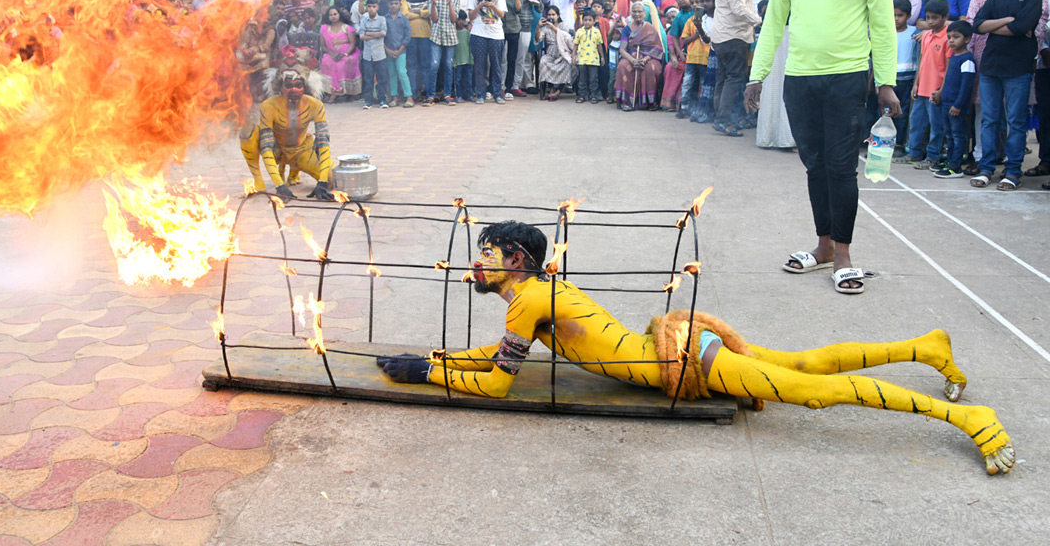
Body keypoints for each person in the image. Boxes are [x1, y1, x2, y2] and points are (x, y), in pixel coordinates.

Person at [376, 221, 1015, 477]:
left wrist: (425, 374)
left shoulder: (530, 299)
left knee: (808, 388)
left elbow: (496, 382)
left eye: (484, 256)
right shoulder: (534, 297)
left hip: (681, 359)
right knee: (803, 364)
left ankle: (968, 418)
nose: (473, 266)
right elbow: (495, 353)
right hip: (682, 348)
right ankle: (925, 346)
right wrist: (435, 359)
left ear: (514, 260)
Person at [745, 0, 898, 294]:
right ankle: (824, 246)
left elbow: (883, 26)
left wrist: (886, 82)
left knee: (841, 167)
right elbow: (774, 22)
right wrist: (757, 75)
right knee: (814, 165)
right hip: (799, 79)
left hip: (847, 79)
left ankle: (845, 256)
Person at [965, 0, 1049, 176]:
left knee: (1016, 121)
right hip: (990, 64)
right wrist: (1008, 22)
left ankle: (1013, 171)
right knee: (989, 119)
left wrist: (998, 25)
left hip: (1019, 66)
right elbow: (977, 24)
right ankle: (987, 168)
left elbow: (1025, 26)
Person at [244, 60, 334, 201]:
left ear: (305, 87)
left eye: (298, 85)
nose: (294, 90)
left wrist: (322, 182)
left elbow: (323, 143)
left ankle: (294, 172)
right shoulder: (268, 106)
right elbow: (266, 146)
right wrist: (279, 185)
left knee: (333, 180)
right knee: (247, 132)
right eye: (288, 85)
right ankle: (258, 179)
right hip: (277, 150)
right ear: (280, 86)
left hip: (302, 151)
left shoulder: (315, 105)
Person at [711, 0, 774, 137]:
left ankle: (720, 118)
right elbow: (739, 9)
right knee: (734, 78)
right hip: (734, 37)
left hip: (723, 37)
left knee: (723, 78)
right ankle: (723, 120)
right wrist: (760, 21)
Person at [908, 0, 952, 172]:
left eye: (935, 18)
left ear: (945, 17)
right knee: (916, 121)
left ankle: (933, 157)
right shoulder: (926, 35)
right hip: (922, 88)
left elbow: (948, 66)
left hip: (936, 90)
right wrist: (915, 84)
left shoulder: (948, 37)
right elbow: (921, 60)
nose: (931, 21)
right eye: (928, 17)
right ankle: (914, 152)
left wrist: (942, 89)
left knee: (936, 125)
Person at [934, 21, 976, 179]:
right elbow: (948, 80)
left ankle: (956, 167)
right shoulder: (953, 56)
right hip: (946, 103)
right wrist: (939, 93)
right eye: (949, 37)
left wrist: (958, 105)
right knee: (949, 134)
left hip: (956, 106)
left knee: (958, 135)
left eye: (956, 37)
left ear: (967, 39)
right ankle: (950, 161)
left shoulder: (967, 60)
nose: (951, 40)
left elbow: (966, 86)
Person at [613, 0, 668, 112]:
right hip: (631, 56)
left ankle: (650, 102)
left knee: (650, 68)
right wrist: (633, 60)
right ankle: (626, 101)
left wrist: (645, 59)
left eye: (640, 12)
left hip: (649, 57)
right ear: (631, 13)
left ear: (644, 13)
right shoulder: (627, 29)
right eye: (634, 11)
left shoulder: (650, 28)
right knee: (623, 66)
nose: (637, 14)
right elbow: (622, 49)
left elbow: (657, 49)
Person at [754, 0, 795, 150]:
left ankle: (768, 136)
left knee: (773, 91)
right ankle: (786, 138)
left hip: (774, 46)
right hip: (788, 44)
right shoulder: (796, 4)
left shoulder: (772, 6)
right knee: (785, 91)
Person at [467, 0, 507, 105]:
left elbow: (501, 14)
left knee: (496, 65)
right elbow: (471, 16)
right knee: (479, 65)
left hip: (496, 34)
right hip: (478, 33)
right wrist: (480, 5)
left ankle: (497, 94)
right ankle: (481, 94)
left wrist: (492, 6)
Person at [678, 0, 713, 120]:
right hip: (692, 58)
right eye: (692, 2)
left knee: (704, 85)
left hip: (705, 58)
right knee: (687, 83)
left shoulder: (709, 19)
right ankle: (684, 108)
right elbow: (684, 40)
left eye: (697, 2)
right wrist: (697, 34)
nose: (694, 5)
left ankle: (702, 109)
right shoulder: (690, 21)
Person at [398, 0, 432, 101]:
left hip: (425, 34)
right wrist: (421, 12)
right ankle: (411, 94)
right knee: (411, 66)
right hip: (410, 35)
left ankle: (428, 94)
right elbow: (404, 14)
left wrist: (418, 12)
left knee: (425, 65)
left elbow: (430, 11)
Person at [891, 0, 919, 160]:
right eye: (893, 15)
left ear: (908, 16)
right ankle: (883, 144)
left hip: (906, 78)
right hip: (889, 79)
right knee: (884, 113)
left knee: (902, 113)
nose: (896, 18)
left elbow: (918, 58)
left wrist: (916, 81)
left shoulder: (914, 34)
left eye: (900, 15)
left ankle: (899, 144)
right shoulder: (886, 33)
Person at [429, 0, 460, 106]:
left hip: (450, 36)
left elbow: (454, 20)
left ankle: (447, 94)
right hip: (436, 35)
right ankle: (431, 95)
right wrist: (434, 4)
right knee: (434, 65)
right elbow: (434, 19)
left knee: (448, 65)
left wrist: (449, 3)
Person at [319, 7, 362, 101]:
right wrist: (331, 53)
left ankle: (336, 94)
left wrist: (345, 54)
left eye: (335, 14)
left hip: (347, 54)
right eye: (331, 15)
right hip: (331, 53)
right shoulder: (324, 28)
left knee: (342, 64)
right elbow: (323, 46)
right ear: (328, 16)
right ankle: (330, 92)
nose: (333, 17)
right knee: (326, 62)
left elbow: (353, 43)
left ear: (339, 15)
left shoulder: (347, 27)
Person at [534, 6, 574, 100]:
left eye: (553, 14)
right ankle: (551, 88)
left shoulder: (563, 25)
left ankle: (558, 91)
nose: (551, 17)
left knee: (568, 64)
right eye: (549, 15)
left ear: (558, 15)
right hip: (551, 53)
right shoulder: (545, 27)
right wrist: (538, 27)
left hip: (563, 53)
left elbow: (566, 38)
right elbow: (538, 40)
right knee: (544, 62)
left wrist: (554, 28)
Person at [358, 0, 390, 109]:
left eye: (374, 6)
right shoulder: (363, 20)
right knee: (368, 78)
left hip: (380, 54)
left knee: (382, 78)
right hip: (367, 55)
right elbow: (361, 36)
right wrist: (375, 33)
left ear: (378, 7)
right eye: (369, 6)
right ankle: (368, 101)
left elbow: (383, 33)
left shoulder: (382, 19)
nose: (371, 9)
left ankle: (382, 99)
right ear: (366, 7)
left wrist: (368, 33)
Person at [383, 0, 414, 108]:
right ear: (388, 4)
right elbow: (382, 36)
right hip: (388, 51)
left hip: (401, 51)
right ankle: (394, 97)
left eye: (396, 3)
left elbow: (407, 36)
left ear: (400, 5)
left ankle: (409, 97)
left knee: (402, 72)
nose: (393, 6)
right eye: (391, 3)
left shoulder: (404, 19)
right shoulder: (384, 19)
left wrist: (400, 50)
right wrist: (387, 50)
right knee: (392, 74)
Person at [572, 9, 604, 103]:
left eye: (590, 20)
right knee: (582, 79)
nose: (587, 22)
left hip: (594, 60)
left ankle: (593, 95)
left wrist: (602, 57)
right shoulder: (579, 31)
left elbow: (599, 45)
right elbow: (575, 45)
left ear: (594, 21)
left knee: (593, 79)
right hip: (582, 60)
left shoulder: (596, 32)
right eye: (585, 20)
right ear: (582, 21)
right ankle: (582, 96)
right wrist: (573, 56)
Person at [452, 10, 473, 104]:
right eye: (460, 20)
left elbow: (470, 46)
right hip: (458, 62)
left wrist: (471, 59)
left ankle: (469, 95)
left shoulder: (466, 33)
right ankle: (459, 95)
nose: (462, 22)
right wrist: (454, 61)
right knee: (458, 80)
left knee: (468, 79)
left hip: (467, 60)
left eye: (463, 20)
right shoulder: (453, 33)